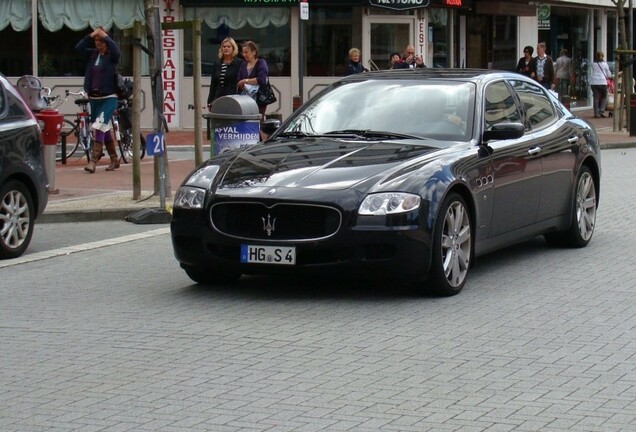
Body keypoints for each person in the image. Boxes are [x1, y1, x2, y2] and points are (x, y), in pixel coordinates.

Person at [75, 26, 121, 173]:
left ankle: (93, 161)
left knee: (99, 125)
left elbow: (117, 51)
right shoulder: (93, 55)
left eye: (100, 40)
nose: (98, 43)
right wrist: (91, 35)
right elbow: (78, 49)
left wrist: (106, 36)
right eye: (96, 40)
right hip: (95, 98)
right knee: (103, 127)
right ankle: (114, 159)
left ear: (106, 42)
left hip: (109, 97)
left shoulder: (111, 56)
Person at [237, 40, 269, 121]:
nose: (244, 55)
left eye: (246, 52)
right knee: (247, 121)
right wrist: (245, 82)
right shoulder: (243, 65)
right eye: (243, 53)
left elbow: (261, 79)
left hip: (259, 98)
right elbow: (239, 81)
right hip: (245, 100)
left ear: (254, 52)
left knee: (258, 121)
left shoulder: (261, 63)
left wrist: (245, 81)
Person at [207, 37, 242, 109]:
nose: (226, 48)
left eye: (228, 47)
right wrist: (210, 101)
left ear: (233, 48)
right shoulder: (217, 63)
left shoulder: (239, 63)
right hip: (218, 97)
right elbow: (213, 84)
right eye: (224, 46)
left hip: (233, 98)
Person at [590, 51, 612, 118]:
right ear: (603, 56)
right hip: (602, 82)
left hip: (594, 82)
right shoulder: (605, 64)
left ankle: (596, 114)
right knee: (604, 97)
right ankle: (601, 111)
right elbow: (609, 75)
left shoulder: (592, 64)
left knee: (596, 98)